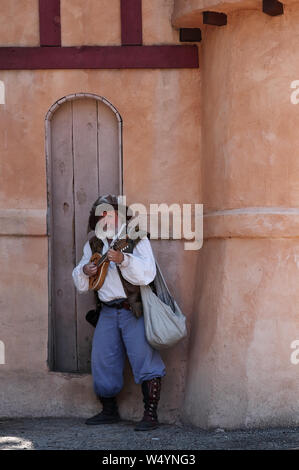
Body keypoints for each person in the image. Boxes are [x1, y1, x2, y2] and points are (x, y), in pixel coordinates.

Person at [72, 194, 166, 431]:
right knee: (103, 361)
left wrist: (124, 259)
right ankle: (109, 411)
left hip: (132, 308)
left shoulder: (135, 238)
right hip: (107, 311)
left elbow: (147, 273)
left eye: (110, 213)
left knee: (146, 359)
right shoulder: (93, 244)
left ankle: (150, 414)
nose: (107, 218)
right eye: (101, 214)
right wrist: (85, 269)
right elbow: (82, 284)